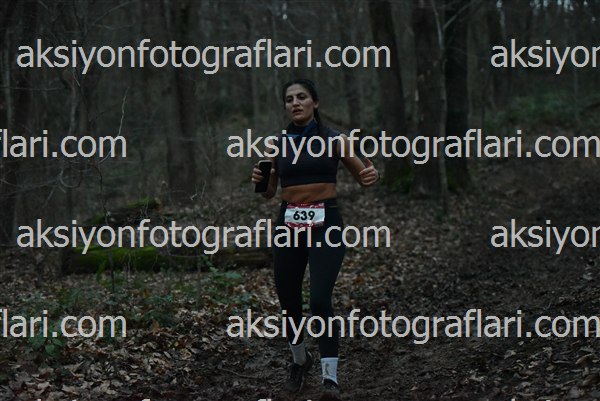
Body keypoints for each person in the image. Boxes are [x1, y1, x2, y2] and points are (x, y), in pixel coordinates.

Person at [251, 78, 379, 401]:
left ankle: (330, 377)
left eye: (302, 97)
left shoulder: (335, 140)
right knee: (288, 300)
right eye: (289, 99)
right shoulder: (276, 144)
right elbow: (268, 193)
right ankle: (300, 360)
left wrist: (371, 175)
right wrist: (261, 179)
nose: (295, 103)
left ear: (315, 103)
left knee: (320, 300)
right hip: (289, 224)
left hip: (326, 225)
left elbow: (364, 177)